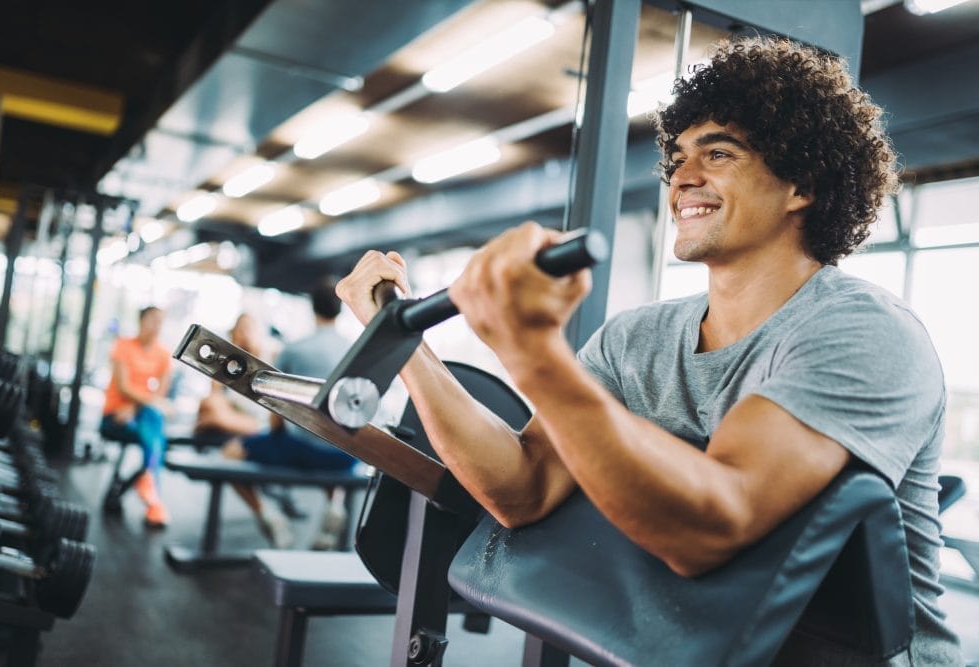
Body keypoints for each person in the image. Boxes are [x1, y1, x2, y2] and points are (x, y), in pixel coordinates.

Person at [337, 37, 963, 665]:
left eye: (718, 153)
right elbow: (522, 489)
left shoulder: (864, 332)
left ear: (800, 184)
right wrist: (401, 341)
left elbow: (709, 528)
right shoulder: (635, 338)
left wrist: (534, 353)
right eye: (679, 157)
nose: (683, 178)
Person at [223, 279, 357, 549]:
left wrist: (270, 437)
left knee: (231, 453)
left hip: (303, 449)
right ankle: (335, 504)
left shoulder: (294, 350)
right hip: (345, 457)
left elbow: (275, 414)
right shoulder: (356, 350)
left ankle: (267, 514)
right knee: (331, 441)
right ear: (340, 309)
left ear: (312, 308)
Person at [100, 306, 173, 528]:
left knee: (152, 425)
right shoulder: (123, 346)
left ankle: (149, 486)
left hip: (139, 416)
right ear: (141, 321)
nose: (156, 325)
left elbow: (160, 393)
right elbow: (123, 387)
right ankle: (152, 496)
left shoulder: (163, 354)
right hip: (114, 418)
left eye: (160, 321)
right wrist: (135, 407)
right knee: (156, 438)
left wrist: (134, 408)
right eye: (152, 320)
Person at [194, 313, 271, 441]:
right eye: (240, 329)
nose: (244, 334)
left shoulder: (267, 361)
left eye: (248, 329)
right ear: (233, 334)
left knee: (211, 416)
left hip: (254, 419)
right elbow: (214, 398)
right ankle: (220, 422)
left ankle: (215, 421)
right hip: (232, 413)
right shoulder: (226, 364)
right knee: (209, 403)